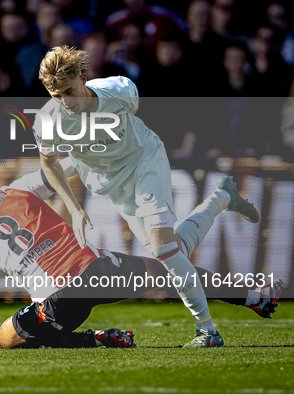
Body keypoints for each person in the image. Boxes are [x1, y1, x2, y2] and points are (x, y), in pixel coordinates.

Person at [33, 46, 261, 347]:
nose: (65, 101)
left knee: (164, 249)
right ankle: (222, 199)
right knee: (170, 252)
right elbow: (48, 163)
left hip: (145, 163)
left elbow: (133, 115)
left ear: (83, 78)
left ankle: (207, 331)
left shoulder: (119, 89)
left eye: (68, 91)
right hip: (115, 186)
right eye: (56, 95)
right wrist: (74, 209)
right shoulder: (48, 119)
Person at [0, 163, 284, 350]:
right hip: (99, 267)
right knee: (173, 265)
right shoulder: (17, 189)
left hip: (60, 298)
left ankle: (99, 339)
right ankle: (254, 294)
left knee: (5, 338)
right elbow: (62, 170)